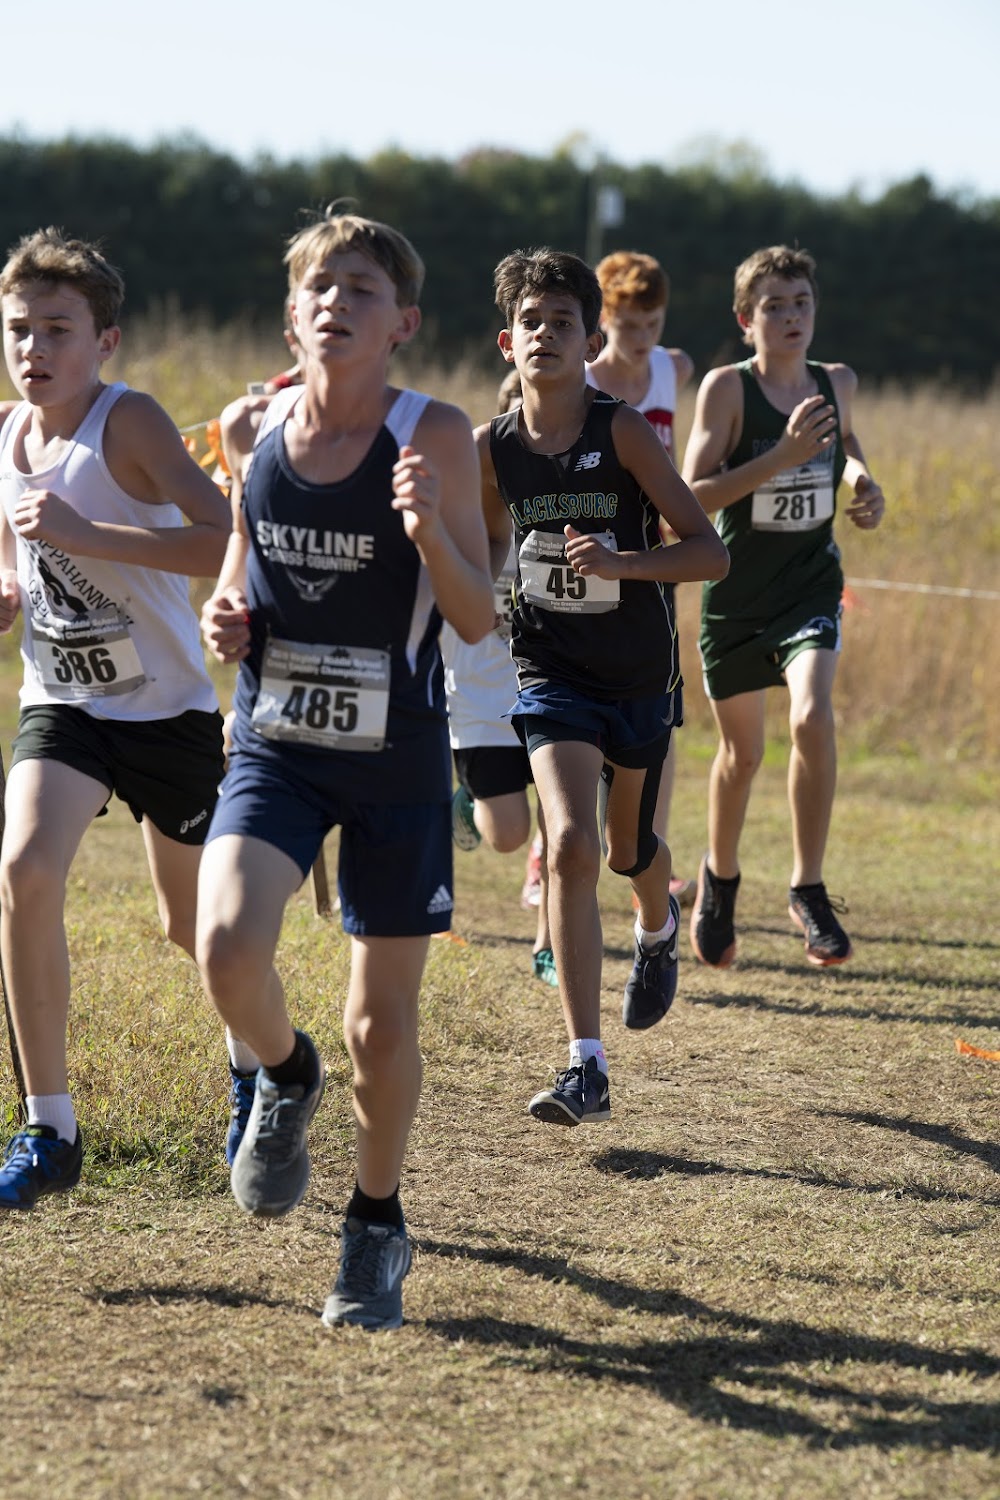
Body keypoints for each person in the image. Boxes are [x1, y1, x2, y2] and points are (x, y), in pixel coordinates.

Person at [196, 207, 494, 1331]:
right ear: (291, 315)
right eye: (320, 287)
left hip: (395, 756)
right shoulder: (250, 427)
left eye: (362, 289)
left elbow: (476, 617)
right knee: (226, 947)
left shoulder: (437, 436)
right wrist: (226, 610)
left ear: (402, 323)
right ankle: (284, 1071)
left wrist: (429, 534)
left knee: (381, 1024)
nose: (337, 303)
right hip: (276, 742)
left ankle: (375, 1224)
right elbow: (242, 556)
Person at [0, 227, 230, 1209]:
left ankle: (258, 1068)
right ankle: (49, 1127)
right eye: (19, 328)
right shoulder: (6, 432)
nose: (34, 348)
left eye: (58, 329)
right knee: (23, 870)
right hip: (65, 703)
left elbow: (221, 537)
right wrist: (9, 587)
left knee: (195, 927)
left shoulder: (127, 421)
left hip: (167, 712)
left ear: (106, 341)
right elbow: (16, 542)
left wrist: (90, 533)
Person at [478, 247, 728, 1127]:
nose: (545, 334)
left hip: (638, 675)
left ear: (591, 343)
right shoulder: (490, 448)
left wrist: (624, 563)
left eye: (564, 322)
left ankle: (657, 927)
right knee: (572, 845)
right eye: (531, 322)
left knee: (629, 852)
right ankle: (586, 1064)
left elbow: (709, 552)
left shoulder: (621, 431)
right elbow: (483, 550)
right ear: (506, 342)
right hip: (550, 673)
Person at [682, 244, 885, 969]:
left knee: (811, 717)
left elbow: (845, 443)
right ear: (747, 319)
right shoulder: (728, 390)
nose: (791, 316)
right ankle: (720, 879)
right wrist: (780, 456)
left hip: (810, 585)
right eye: (774, 306)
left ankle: (807, 887)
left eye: (802, 303)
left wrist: (862, 483)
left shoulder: (836, 382)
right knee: (742, 756)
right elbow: (691, 495)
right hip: (736, 596)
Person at [587, 250, 696, 906]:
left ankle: (654, 847)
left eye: (652, 324)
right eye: (629, 325)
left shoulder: (672, 369)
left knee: (660, 708)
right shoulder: (583, 378)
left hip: (656, 563)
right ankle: (550, 849)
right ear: (603, 319)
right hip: (588, 558)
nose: (641, 338)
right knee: (576, 708)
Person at [442, 366, 555, 986]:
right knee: (508, 834)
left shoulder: (569, 488)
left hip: (553, 680)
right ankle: (468, 795)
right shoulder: (467, 491)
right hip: (480, 688)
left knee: (562, 822)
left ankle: (549, 942)